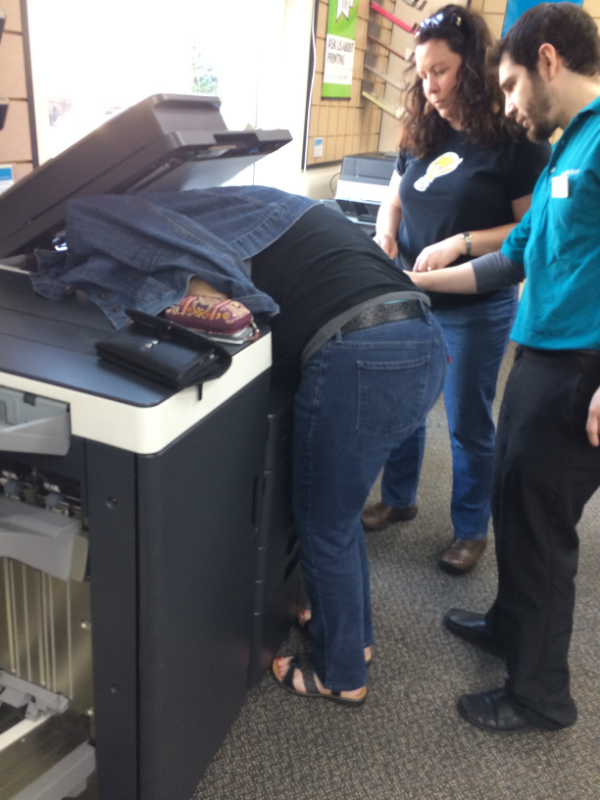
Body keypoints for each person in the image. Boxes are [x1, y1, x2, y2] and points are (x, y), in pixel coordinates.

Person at [32, 187, 447, 705]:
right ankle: (351, 638)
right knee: (340, 514)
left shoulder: (195, 234)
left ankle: (342, 676)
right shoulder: (280, 210)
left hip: (359, 356)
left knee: (323, 522)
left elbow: (217, 302)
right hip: (422, 339)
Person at [409, 1, 600, 732]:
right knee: (514, 505)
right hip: (541, 353)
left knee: (544, 530)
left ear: (548, 59)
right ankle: (508, 625)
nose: (512, 104)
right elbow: (511, 259)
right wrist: (416, 282)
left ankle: (540, 697)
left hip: (582, 369)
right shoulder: (569, 144)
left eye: (515, 84)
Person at [361, 4, 551, 575]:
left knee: (467, 422)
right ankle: (399, 497)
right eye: (422, 74)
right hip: (409, 299)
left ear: (473, 67)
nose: (431, 85)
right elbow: (392, 200)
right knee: (404, 408)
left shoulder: (517, 140)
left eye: (441, 71)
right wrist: (384, 238)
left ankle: (471, 529)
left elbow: (526, 230)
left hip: (473, 307)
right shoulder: (424, 127)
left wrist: (464, 241)